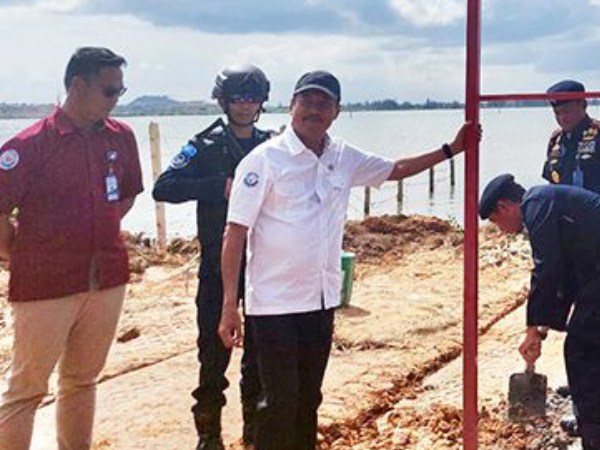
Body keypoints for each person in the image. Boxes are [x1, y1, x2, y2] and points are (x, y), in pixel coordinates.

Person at [217, 70, 479, 450]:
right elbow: (235, 232)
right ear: (291, 106)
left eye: (323, 103)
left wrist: (451, 150)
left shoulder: (342, 156)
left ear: (337, 112)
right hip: (273, 306)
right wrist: (230, 304)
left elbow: (395, 170)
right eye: (307, 101)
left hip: (320, 301)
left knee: (309, 398)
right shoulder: (264, 160)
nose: (314, 110)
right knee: (278, 401)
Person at [0, 47, 142, 450]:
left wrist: (95, 229)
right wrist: (17, 253)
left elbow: (126, 196)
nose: (116, 99)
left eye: (120, 91)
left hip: (107, 279)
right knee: (26, 389)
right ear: (78, 86)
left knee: (82, 380)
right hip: (45, 284)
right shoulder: (28, 146)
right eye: (109, 90)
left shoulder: (121, 137)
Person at [478, 174, 600, 450]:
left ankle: (593, 435)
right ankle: (599, 421)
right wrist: (540, 329)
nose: (501, 230)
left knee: (581, 346)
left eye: (496, 222)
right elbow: (565, 273)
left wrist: (531, 329)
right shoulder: (545, 202)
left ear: (504, 207)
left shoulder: (537, 205)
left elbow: (546, 269)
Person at [152, 63, 277, 450]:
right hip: (216, 265)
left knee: (260, 356)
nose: (245, 105)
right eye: (237, 98)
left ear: (262, 102)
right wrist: (216, 186)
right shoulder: (205, 144)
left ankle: (255, 431)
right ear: (223, 101)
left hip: (262, 265)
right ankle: (209, 435)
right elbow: (164, 187)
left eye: (252, 98)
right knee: (213, 353)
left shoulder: (272, 145)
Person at [541, 80, 600, 216]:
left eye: (567, 111)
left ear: (583, 105)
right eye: (557, 113)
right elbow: (552, 186)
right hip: (568, 221)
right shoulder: (556, 140)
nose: (562, 118)